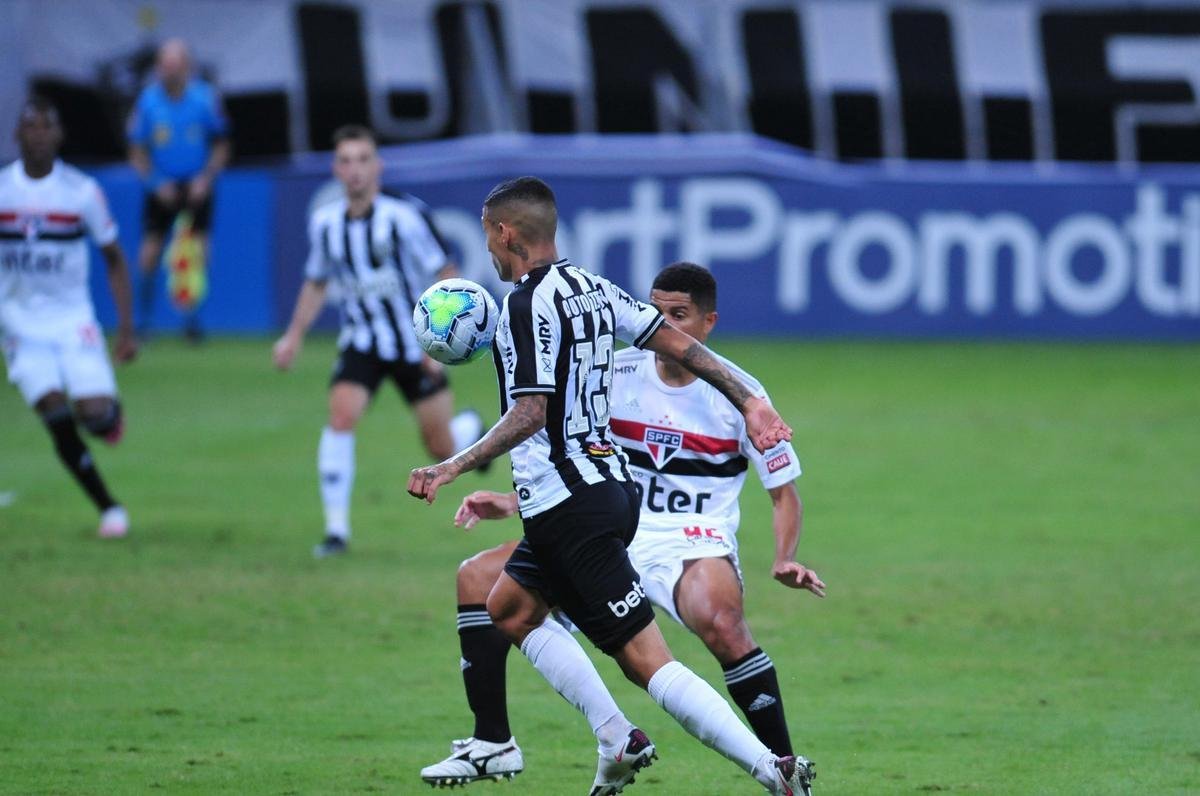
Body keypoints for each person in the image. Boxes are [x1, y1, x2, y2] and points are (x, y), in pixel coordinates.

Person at [407, 178, 815, 795]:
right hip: (608, 494)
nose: (488, 247)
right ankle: (525, 740)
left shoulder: (523, 306)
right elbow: (679, 344)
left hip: (572, 506)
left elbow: (531, 413)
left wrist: (450, 466)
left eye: (488, 232)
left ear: (504, 232)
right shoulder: (593, 289)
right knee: (506, 605)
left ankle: (769, 770)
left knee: (647, 662)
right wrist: (750, 398)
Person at [273, 124, 484, 558]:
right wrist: (293, 336)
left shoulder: (404, 216)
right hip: (362, 341)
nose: (355, 170)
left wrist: (440, 346)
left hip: (415, 345)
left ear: (378, 166)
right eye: (346, 161)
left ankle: (472, 429)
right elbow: (315, 282)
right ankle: (336, 531)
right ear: (336, 168)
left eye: (363, 159)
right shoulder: (326, 224)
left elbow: (446, 273)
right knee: (341, 417)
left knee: (441, 447)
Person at [1, 97, 138, 537]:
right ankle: (109, 507)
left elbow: (114, 258)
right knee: (54, 414)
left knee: (94, 417)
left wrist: (126, 329)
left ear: (58, 135)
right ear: (17, 135)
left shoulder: (81, 192)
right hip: (19, 324)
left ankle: (109, 415)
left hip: (71, 319)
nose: (39, 134)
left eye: (47, 126)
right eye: (31, 126)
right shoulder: (3, 191)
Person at [127, 38, 230, 342]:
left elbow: (222, 145)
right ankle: (143, 322)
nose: (169, 72)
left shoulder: (205, 99)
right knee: (149, 254)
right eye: (164, 65)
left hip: (196, 184)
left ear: (188, 67)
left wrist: (206, 178)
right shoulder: (148, 102)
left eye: (175, 65)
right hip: (162, 186)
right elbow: (137, 151)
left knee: (198, 253)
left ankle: (192, 321)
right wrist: (155, 183)